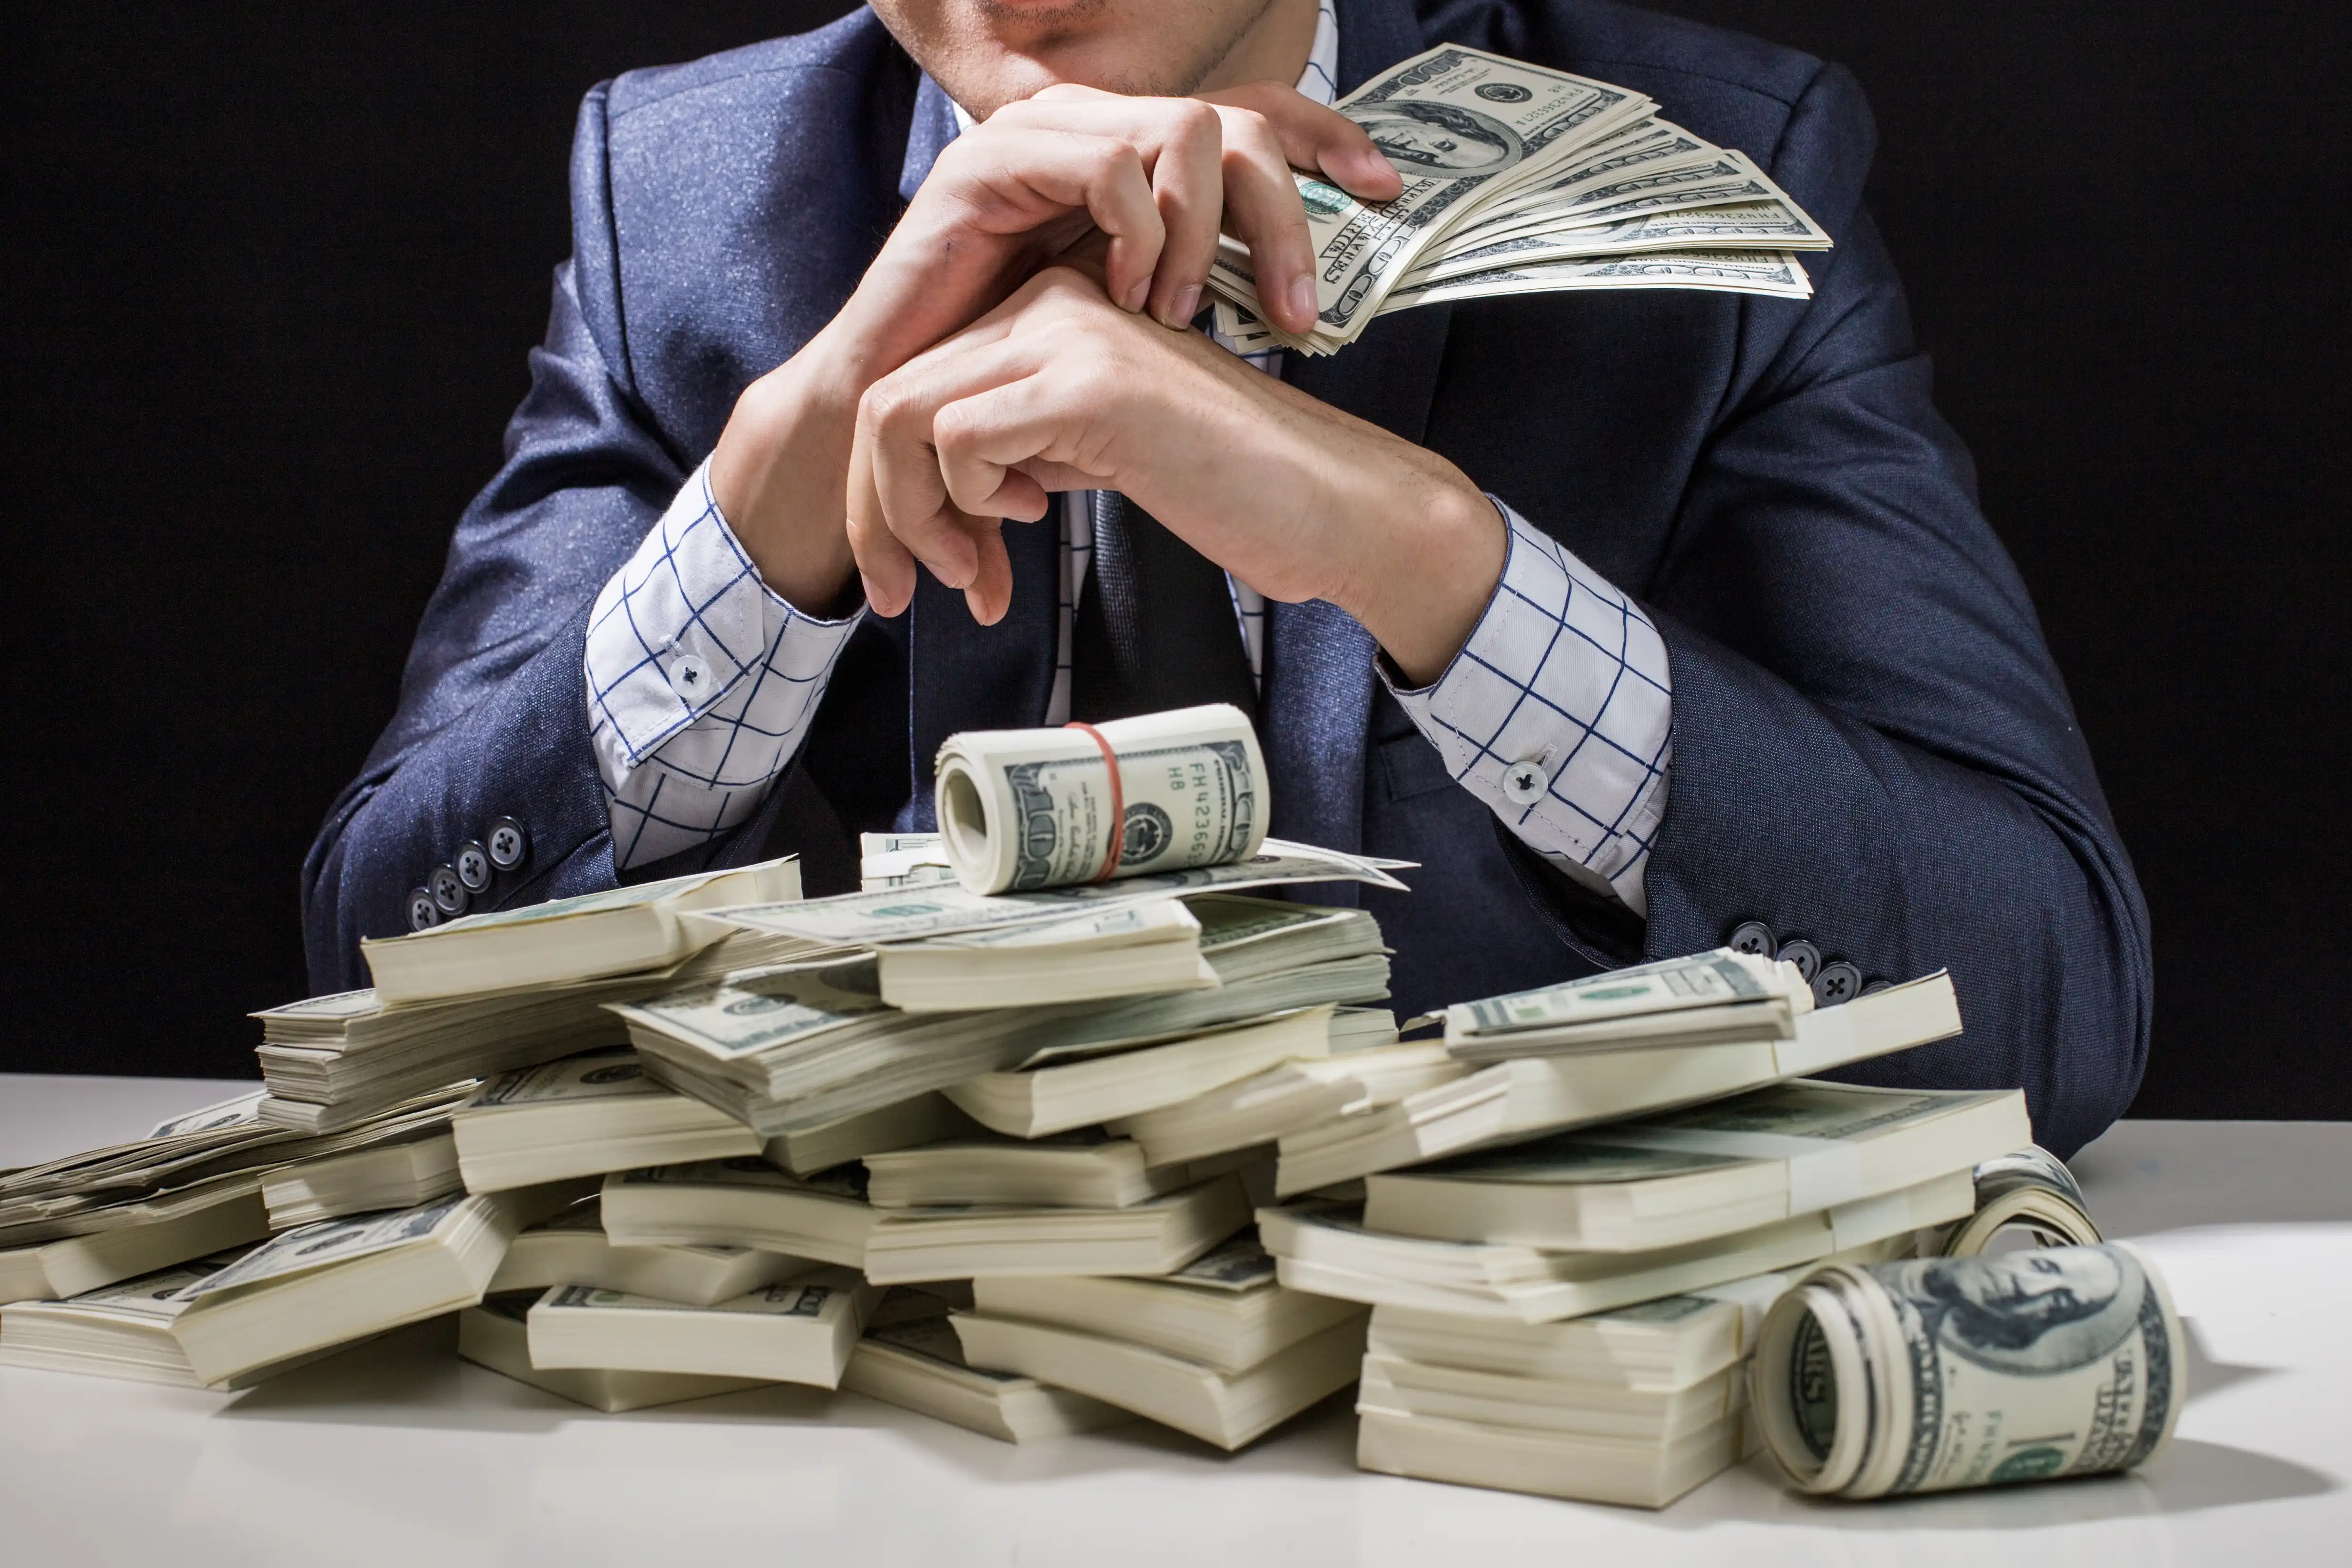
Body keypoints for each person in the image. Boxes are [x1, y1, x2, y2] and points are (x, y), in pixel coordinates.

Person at [303, 0, 2151, 1157]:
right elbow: (381, 965)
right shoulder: (692, 202)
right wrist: (760, 510)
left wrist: (1423, 554)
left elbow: (2045, 994)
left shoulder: (1726, 172)